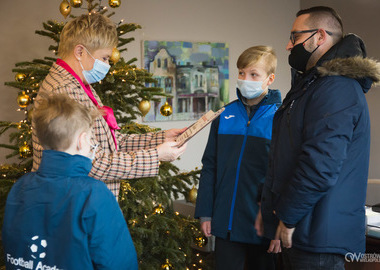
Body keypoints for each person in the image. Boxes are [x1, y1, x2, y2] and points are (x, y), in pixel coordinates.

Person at [261, 6, 380, 269]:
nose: (289, 45)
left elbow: (320, 165)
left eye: (295, 37)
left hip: (319, 239)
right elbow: (287, 156)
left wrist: (288, 217)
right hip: (304, 232)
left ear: (320, 36)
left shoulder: (336, 88)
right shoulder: (311, 85)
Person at [32, 13, 186, 198]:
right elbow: (92, 163)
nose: (107, 65)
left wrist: (160, 138)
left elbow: (111, 142)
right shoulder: (64, 92)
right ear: (80, 52)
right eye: (104, 58)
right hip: (73, 204)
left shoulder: (80, 86)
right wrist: (156, 155)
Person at [2, 94, 138, 269]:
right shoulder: (93, 194)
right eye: (90, 139)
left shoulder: (20, 187)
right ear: (82, 141)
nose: (92, 146)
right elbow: (119, 263)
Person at [194, 46, 282, 270]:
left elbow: (284, 176)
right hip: (226, 226)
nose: (245, 79)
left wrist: (280, 227)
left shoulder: (281, 119)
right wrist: (205, 212)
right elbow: (210, 167)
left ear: (269, 78)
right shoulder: (224, 115)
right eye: (242, 73)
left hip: (262, 228)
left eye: (254, 74)